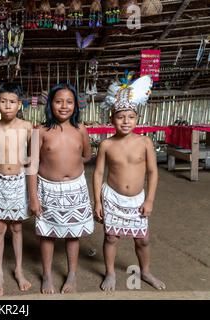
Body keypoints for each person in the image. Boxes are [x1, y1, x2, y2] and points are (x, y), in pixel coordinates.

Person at [93, 75, 166, 291]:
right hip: (112, 197)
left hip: (137, 199)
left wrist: (150, 200)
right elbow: (98, 173)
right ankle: (110, 273)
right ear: (111, 118)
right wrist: (97, 202)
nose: (126, 121)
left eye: (131, 117)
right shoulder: (106, 144)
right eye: (121, 117)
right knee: (111, 237)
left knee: (142, 240)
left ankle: (145, 271)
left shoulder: (145, 142)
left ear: (137, 118)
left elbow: (153, 172)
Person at [28, 83, 94, 294]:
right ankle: (47, 275)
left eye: (69, 102)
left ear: (75, 105)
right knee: (48, 234)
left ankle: (71, 274)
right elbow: (32, 166)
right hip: (48, 189)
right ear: (50, 104)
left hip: (76, 188)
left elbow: (86, 155)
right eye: (58, 101)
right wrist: (33, 198)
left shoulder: (80, 129)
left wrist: (71, 166)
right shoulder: (41, 131)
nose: (64, 106)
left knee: (72, 234)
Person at [0, 83, 33, 296]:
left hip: (19, 182)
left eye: (12, 102)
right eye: (3, 101)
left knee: (17, 228)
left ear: (19, 105)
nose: (7, 106)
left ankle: (18, 269)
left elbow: (33, 158)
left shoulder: (27, 127)